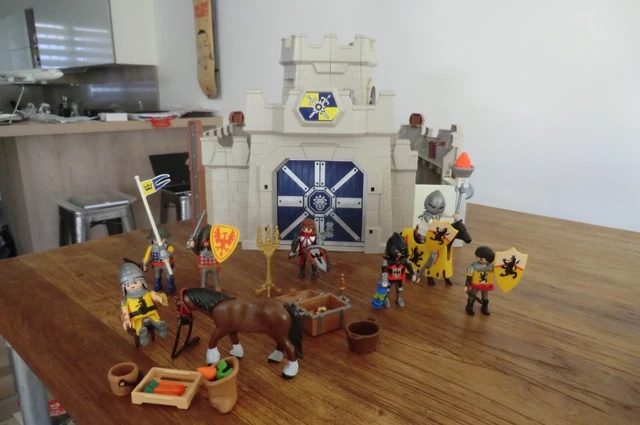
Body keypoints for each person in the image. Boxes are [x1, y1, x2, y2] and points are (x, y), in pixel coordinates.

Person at [120, 262, 168, 346]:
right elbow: (125, 312)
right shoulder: (126, 301)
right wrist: (126, 320)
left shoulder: (148, 293)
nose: (132, 286)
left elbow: (155, 295)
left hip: (151, 314)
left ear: (142, 281)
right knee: (139, 326)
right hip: (137, 318)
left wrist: (159, 298)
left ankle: (160, 326)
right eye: (128, 285)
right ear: (124, 287)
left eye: (135, 282)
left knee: (155, 320)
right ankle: (142, 334)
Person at [381, 233, 417, 308]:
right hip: (390, 278)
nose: (399, 254)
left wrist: (413, 274)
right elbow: (384, 271)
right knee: (387, 289)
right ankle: (385, 298)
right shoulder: (387, 261)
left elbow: (410, 267)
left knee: (400, 288)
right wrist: (384, 280)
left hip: (399, 278)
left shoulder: (404, 260)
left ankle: (399, 298)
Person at [142, 225, 175, 293]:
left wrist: (168, 256)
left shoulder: (168, 246)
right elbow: (147, 256)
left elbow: (171, 250)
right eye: (155, 240)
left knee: (168, 275)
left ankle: (171, 285)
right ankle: (158, 285)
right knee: (157, 275)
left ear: (166, 238)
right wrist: (145, 264)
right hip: (156, 264)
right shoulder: (151, 247)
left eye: (161, 239)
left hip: (166, 264)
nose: (157, 241)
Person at [464, 246, 495, 316]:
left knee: (485, 297)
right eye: (477, 256)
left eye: (481, 258)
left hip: (486, 284)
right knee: (472, 295)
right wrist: (467, 285)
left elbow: (498, 273)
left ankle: (484, 307)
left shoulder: (491, 267)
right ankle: (469, 306)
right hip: (476, 284)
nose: (478, 258)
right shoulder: (473, 266)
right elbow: (469, 276)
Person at [187, 223, 221, 288]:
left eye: (207, 242)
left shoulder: (215, 247)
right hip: (204, 266)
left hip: (213, 265)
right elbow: (197, 252)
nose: (205, 243)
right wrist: (192, 246)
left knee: (215, 276)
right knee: (203, 278)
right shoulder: (200, 249)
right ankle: (203, 288)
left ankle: (217, 287)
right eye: (203, 242)